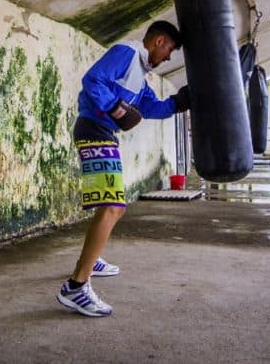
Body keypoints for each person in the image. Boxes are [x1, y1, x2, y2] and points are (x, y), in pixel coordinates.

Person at [56, 20, 191, 317]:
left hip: (101, 131)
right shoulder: (126, 53)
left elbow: (150, 108)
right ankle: (76, 287)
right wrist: (117, 109)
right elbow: (93, 80)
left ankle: (92, 259)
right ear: (158, 41)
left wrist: (180, 102)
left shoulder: (140, 76)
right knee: (114, 206)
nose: (168, 57)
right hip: (94, 128)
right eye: (169, 49)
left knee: (108, 205)